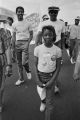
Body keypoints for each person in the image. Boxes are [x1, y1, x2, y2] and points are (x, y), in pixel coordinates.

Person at [34, 25, 62, 120]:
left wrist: (52, 81)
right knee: (42, 94)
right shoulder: (37, 49)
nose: (48, 37)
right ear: (42, 36)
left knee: (49, 104)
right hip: (40, 76)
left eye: (50, 35)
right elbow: (35, 65)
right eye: (45, 35)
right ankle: (43, 101)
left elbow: (58, 67)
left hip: (51, 77)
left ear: (54, 35)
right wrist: (37, 79)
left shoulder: (57, 50)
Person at [35, 6, 65, 93]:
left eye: (55, 12)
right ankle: (43, 81)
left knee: (56, 66)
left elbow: (62, 36)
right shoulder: (43, 23)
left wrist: (62, 46)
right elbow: (39, 35)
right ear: (49, 13)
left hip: (57, 45)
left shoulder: (61, 23)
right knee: (47, 64)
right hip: (46, 46)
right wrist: (37, 45)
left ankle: (54, 84)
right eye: (51, 12)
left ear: (57, 13)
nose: (53, 13)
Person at [12, 6, 33, 86]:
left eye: (21, 11)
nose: (20, 13)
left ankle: (28, 71)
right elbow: (13, 36)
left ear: (23, 13)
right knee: (19, 63)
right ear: (16, 13)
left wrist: (28, 43)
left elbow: (31, 34)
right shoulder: (14, 24)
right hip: (17, 43)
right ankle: (21, 79)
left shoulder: (28, 23)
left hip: (25, 43)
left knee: (24, 62)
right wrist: (13, 47)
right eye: (19, 11)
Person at [0, 21, 12, 112]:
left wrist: (9, 64)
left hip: (1, 61)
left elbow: (7, 48)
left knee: (1, 86)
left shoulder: (4, 32)